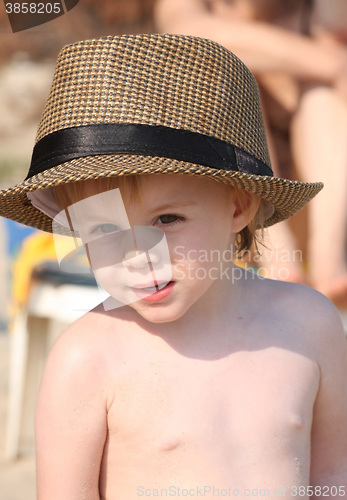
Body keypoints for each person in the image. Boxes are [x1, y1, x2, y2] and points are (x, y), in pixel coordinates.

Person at [0, 34, 346, 499]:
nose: (137, 256)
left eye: (167, 219)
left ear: (239, 207)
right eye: (104, 230)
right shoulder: (88, 358)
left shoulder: (310, 324)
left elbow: (332, 477)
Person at [155, 0, 347, 307]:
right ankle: (278, 258)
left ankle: (329, 262)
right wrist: (328, 62)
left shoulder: (316, 10)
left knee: (321, 97)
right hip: (237, 211)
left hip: (311, 202)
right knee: (228, 78)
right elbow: (191, 34)